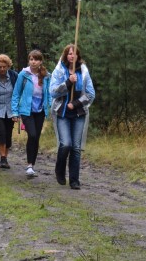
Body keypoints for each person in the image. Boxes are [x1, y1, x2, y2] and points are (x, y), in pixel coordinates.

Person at [49, 44, 95, 190]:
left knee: (76, 147)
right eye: (69, 53)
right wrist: (68, 82)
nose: (71, 56)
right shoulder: (59, 71)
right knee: (66, 144)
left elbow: (90, 94)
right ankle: (60, 169)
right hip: (61, 112)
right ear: (66, 55)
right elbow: (53, 92)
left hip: (78, 113)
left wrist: (75, 104)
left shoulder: (83, 72)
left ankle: (74, 180)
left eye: (74, 53)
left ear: (78, 56)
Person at [11, 50, 51, 178]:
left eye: (36, 59)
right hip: (26, 110)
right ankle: (29, 165)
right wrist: (15, 112)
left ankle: (32, 166)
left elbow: (48, 94)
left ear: (40, 61)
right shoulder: (23, 74)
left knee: (36, 137)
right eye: (31, 59)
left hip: (40, 110)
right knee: (32, 135)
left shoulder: (46, 75)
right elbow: (16, 93)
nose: (33, 61)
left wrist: (48, 109)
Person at [0, 54, 18, 169]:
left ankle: (5, 157)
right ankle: (2, 158)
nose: (2, 69)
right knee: (1, 132)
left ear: (8, 66)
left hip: (11, 109)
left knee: (8, 135)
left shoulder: (14, 76)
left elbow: (18, 93)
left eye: (4, 67)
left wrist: (17, 111)